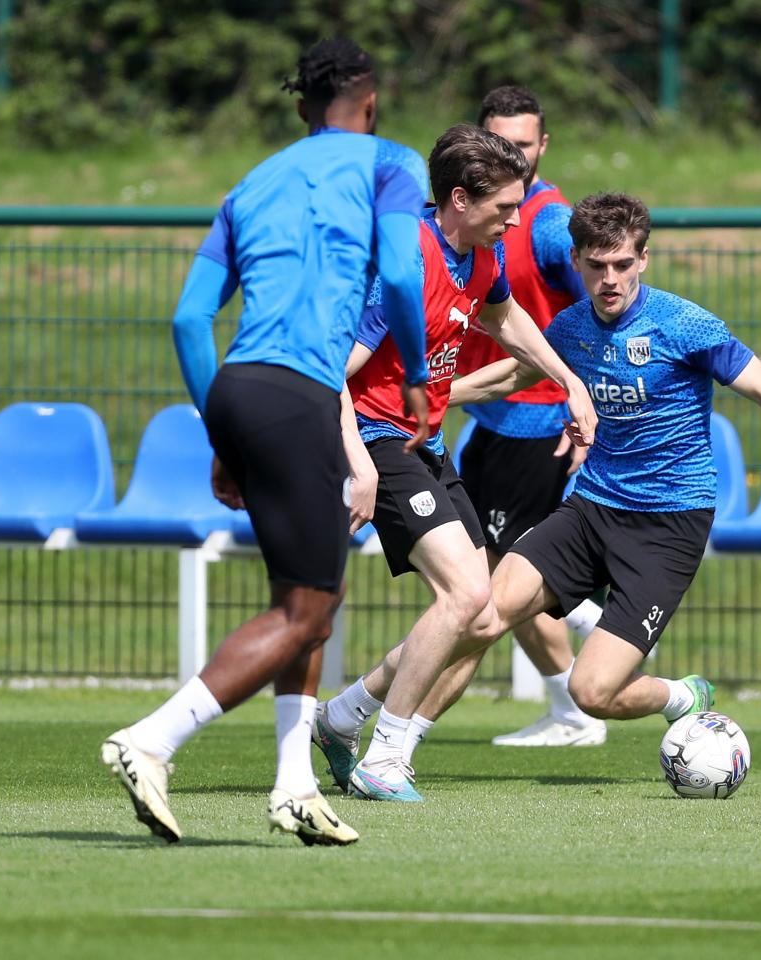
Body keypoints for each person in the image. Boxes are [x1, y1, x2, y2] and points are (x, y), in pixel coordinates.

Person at [99, 38, 431, 846]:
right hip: (301, 397)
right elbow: (400, 275)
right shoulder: (393, 163)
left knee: (311, 598)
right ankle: (152, 739)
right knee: (305, 606)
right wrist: (418, 373)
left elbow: (189, 320)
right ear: (371, 102)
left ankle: (295, 786)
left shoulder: (249, 184)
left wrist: (224, 430)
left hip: (241, 391)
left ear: (301, 108)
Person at [439, 191, 761, 729]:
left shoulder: (683, 325)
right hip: (592, 508)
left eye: (623, 264)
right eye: (597, 265)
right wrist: (431, 396)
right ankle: (391, 740)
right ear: (576, 260)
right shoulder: (571, 327)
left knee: (592, 691)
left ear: (644, 258)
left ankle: (679, 696)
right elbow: (514, 374)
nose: (610, 279)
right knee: (481, 612)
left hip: (669, 523)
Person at [313, 123, 597, 803]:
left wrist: (569, 381)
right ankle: (385, 755)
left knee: (480, 610)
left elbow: (507, 320)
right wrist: (361, 467)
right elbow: (328, 373)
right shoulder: (404, 265)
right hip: (377, 439)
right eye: (505, 208)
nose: (515, 221)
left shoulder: (481, 253)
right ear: (460, 200)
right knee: (466, 596)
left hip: (426, 443)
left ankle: (343, 715)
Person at [417, 85, 606, 749]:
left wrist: (585, 403)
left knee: (492, 585)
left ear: (543, 145)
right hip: (492, 423)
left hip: (539, 426)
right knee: (488, 577)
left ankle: (579, 670)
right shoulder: (471, 222)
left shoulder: (547, 224)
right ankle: (573, 670)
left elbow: (603, 307)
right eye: (503, 145)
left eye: (525, 145)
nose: (516, 158)